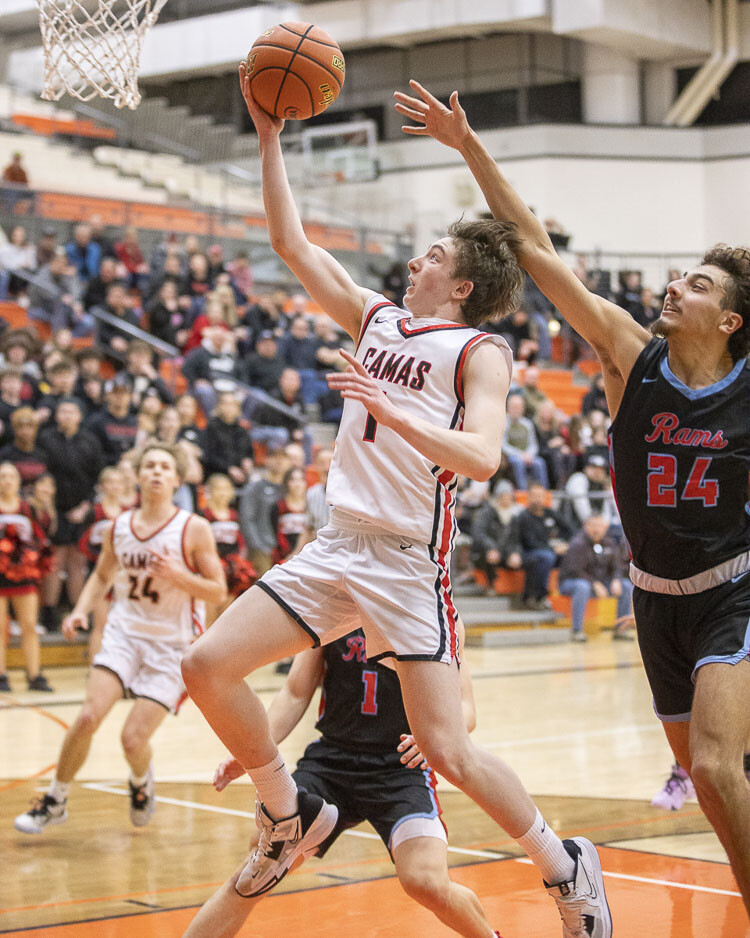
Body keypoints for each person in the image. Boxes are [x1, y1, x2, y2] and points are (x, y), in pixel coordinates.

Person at [179, 65, 613, 938]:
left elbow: (485, 458)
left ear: (459, 287)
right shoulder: (376, 319)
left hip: (409, 563)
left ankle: (565, 869)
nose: (418, 258)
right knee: (203, 667)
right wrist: (268, 137)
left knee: (447, 751)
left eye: (437, 256)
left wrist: (391, 413)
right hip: (338, 544)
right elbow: (292, 242)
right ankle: (283, 811)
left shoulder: (478, 351)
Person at [397, 78, 750, 918]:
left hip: (734, 588)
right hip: (655, 598)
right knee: (712, 778)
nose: (675, 286)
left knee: (711, 765)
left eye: (698, 285)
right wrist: (468, 146)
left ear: (732, 321)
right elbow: (528, 246)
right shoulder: (630, 355)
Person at [183, 625, 504, 938]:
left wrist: (437, 737)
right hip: (331, 763)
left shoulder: (435, 612)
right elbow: (295, 692)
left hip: (400, 768)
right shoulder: (334, 605)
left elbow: (465, 708)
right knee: (261, 865)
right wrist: (251, 752)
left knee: (426, 882)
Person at [14, 442, 226, 834]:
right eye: (150, 466)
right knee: (88, 715)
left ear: (176, 479)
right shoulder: (121, 526)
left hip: (172, 646)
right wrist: (80, 609)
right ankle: (56, 798)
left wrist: (178, 576)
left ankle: (142, 780)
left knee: (132, 740)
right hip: (125, 634)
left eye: (165, 467)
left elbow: (217, 590)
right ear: (139, 476)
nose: (157, 472)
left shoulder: (192, 528)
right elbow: (101, 574)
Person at [0, 462, 54, 693]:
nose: (7, 480)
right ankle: (2, 675)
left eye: (11, 476)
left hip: (24, 574)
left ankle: (34, 675)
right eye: (2, 476)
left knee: (29, 625)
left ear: (19, 481)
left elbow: (39, 537)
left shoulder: (27, 508)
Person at [557, 514, 634, 642]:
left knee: (625, 585)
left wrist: (616, 579)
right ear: (585, 526)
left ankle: (621, 629)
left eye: (600, 526)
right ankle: (577, 631)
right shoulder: (577, 543)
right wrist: (595, 583)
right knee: (583, 587)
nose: (596, 529)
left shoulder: (609, 544)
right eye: (593, 525)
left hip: (600, 583)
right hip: (571, 582)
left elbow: (617, 567)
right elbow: (575, 570)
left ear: (605, 528)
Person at [77, 465, 125, 658]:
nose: (114, 486)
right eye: (110, 482)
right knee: (101, 624)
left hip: (124, 577)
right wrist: (101, 558)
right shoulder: (94, 512)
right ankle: (96, 667)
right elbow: (82, 543)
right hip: (100, 572)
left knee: (123, 625)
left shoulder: (130, 513)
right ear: (102, 486)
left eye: (118, 482)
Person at [200, 473, 255, 626]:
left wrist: (240, 563)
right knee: (209, 612)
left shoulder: (234, 515)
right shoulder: (203, 515)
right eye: (218, 489)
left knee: (226, 615)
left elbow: (240, 541)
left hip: (232, 569)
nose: (223, 493)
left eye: (226, 489)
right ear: (209, 491)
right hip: (210, 567)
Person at [470, 481, 522, 593]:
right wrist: (491, 547)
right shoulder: (487, 512)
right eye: (503, 496)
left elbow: (517, 539)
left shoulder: (516, 515)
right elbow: (478, 533)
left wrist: (515, 552)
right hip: (485, 552)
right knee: (491, 554)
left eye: (509, 497)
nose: (506, 500)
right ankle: (490, 585)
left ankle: (526, 596)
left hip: (505, 552)